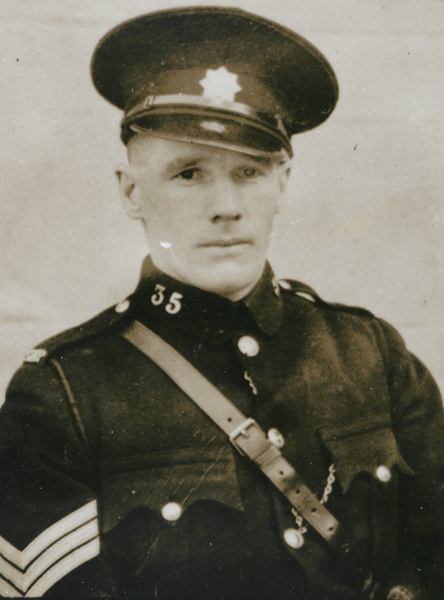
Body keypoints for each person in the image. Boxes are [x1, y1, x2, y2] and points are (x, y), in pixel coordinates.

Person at [0, 6, 442, 600]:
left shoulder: (372, 354)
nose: (226, 205)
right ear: (132, 191)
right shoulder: (64, 394)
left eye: (250, 172)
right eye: (188, 174)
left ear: (282, 181)